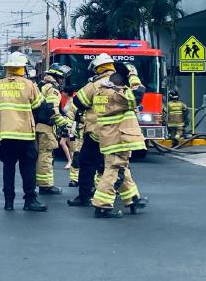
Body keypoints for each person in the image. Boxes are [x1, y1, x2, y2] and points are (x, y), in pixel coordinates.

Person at [68, 69, 149, 218]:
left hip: (109, 138)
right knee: (113, 172)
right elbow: (138, 94)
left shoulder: (101, 92)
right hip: (118, 139)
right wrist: (133, 76)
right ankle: (102, 206)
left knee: (122, 170)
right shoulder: (116, 96)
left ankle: (133, 199)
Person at [0, 51, 52, 212]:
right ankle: (30, 200)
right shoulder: (30, 85)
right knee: (28, 168)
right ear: (22, 68)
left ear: (8, 68)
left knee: (8, 168)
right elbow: (41, 108)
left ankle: (8, 202)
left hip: (5, 136)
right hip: (25, 135)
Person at [64, 53, 115, 207]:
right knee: (115, 165)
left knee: (87, 163)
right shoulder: (122, 84)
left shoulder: (95, 85)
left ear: (98, 69)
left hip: (96, 132)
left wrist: (68, 124)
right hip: (116, 133)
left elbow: (77, 102)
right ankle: (122, 196)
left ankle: (85, 196)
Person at [35, 63, 72, 195]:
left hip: (39, 126)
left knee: (43, 155)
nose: (62, 81)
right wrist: (64, 124)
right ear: (57, 77)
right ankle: (45, 186)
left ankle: (43, 184)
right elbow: (52, 110)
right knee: (46, 156)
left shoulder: (42, 86)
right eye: (61, 78)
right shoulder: (53, 90)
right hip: (46, 127)